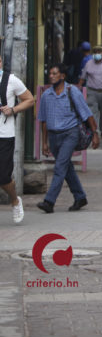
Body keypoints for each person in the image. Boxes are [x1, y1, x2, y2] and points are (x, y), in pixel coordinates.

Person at [37, 64, 100, 213]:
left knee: (59, 167)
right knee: (67, 168)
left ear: (62, 76)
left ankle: (49, 201)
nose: (51, 76)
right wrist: (44, 143)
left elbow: (87, 114)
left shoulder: (73, 92)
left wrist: (95, 134)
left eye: (55, 73)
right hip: (53, 136)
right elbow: (43, 121)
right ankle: (80, 197)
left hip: (70, 133)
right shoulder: (46, 95)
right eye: (50, 74)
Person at [0, 56, 35, 223]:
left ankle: (15, 200)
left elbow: (29, 99)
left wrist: (13, 109)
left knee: (3, 177)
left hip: (4, 134)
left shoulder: (11, 80)